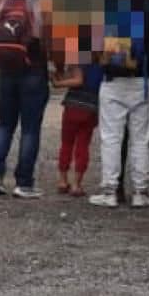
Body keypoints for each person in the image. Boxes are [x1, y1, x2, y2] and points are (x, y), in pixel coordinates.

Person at [89, 0, 149, 209]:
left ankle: (110, 191)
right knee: (140, 139)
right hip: (142, 82)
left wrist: (102, 60)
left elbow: (95, 47)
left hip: (112, 81)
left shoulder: (111, 7)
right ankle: (140, 193)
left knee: (111, 138)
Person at [0, 0, 51, 199]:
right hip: (33, 68)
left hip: (6, 68)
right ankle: (24, 182)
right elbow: (50, 32)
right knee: (30, 128)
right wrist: (57, 65)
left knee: (4, 123)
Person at [53, 57, 104, 197]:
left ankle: (63, 181)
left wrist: (58, 83)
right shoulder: (102, 59)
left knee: (66, 144)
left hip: (73, 105)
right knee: (83, 146)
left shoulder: (80, 55)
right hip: (91, 107)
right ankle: (76, 184)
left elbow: (78, 80)